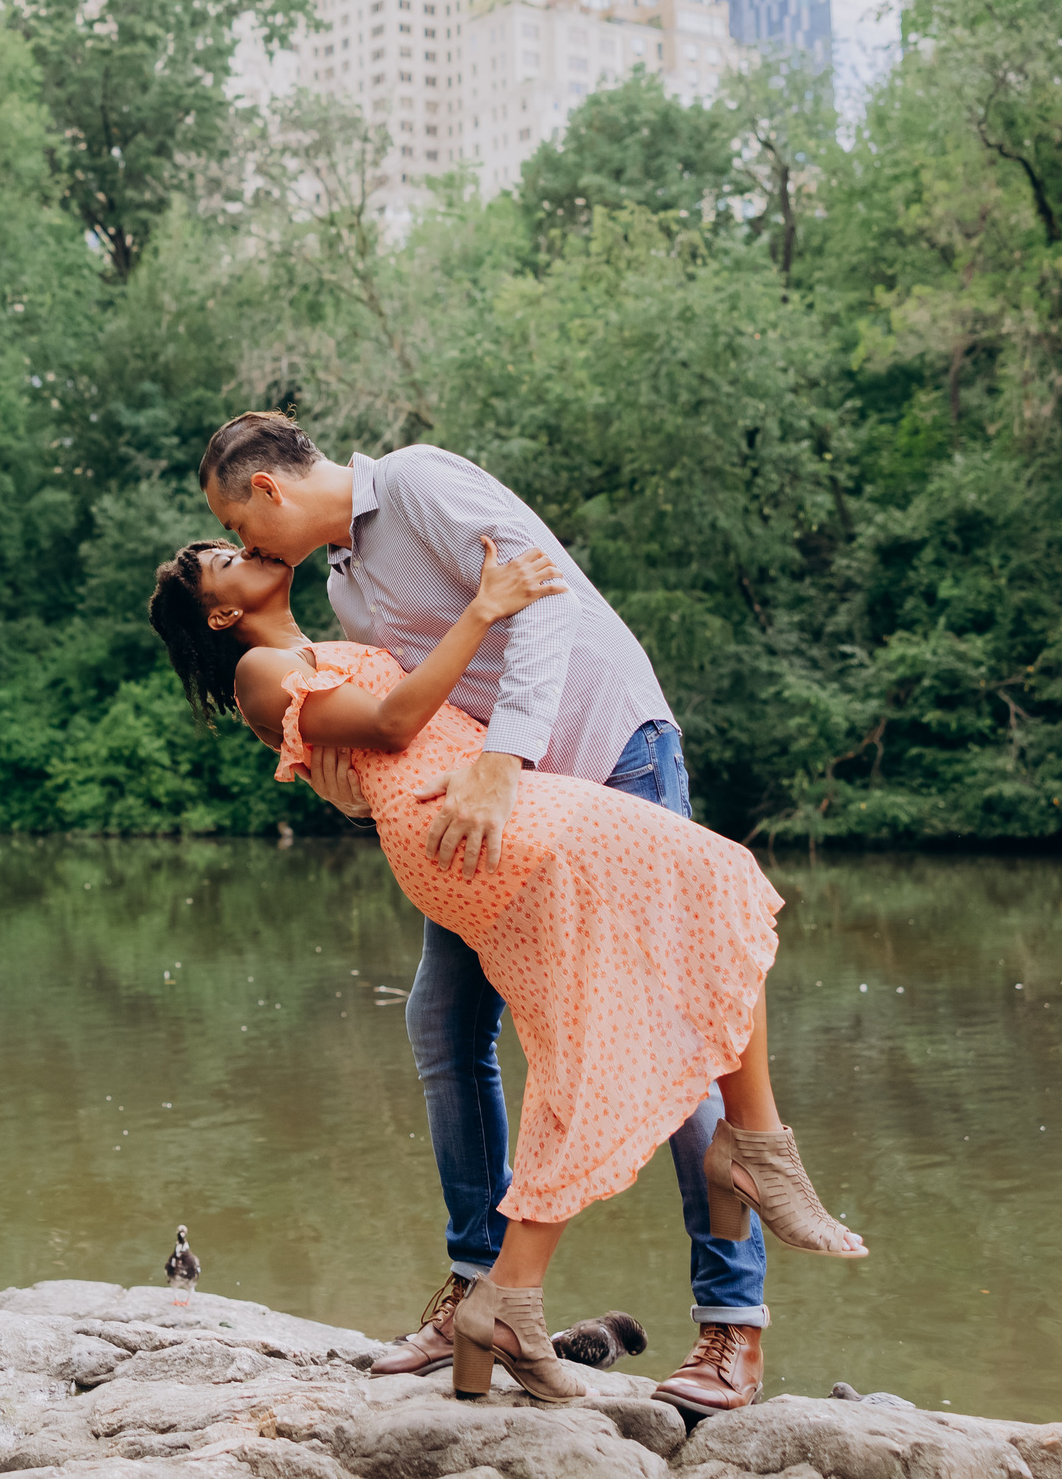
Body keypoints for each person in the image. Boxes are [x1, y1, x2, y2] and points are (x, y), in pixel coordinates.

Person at [146, 524, 867, 1401]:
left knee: (608, 1005)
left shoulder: (328, 635)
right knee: (714, 877)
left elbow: (386, 733)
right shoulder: (262, 671)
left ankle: (511, 1299)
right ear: (221, 616)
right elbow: (396, 718)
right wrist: (487, 606)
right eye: (227, 558)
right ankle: (746, 1153)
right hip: (470, 824)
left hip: (488, 810)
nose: (246, 548)